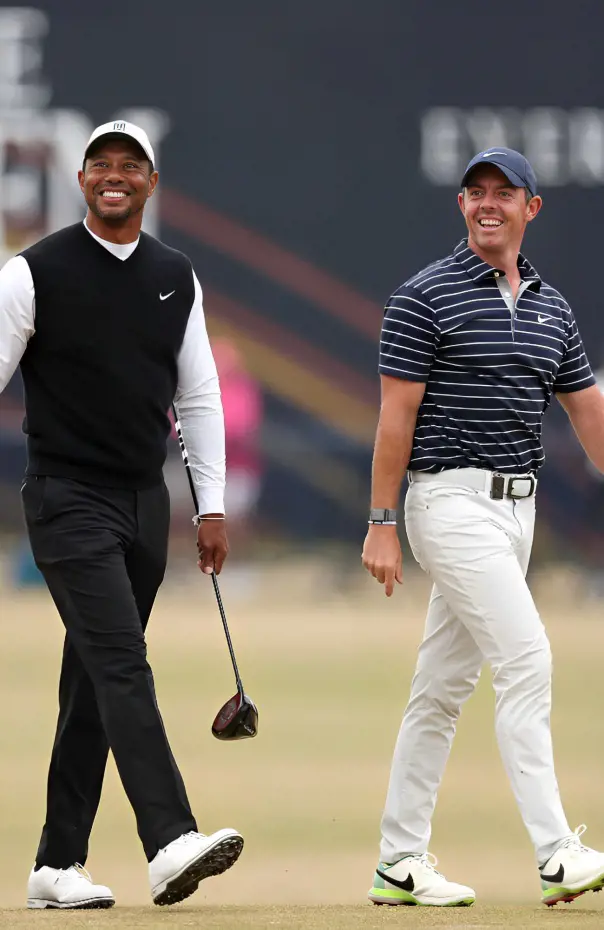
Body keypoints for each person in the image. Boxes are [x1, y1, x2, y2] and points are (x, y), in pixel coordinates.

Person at [0, 120, 243, 909]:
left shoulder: (176, 274)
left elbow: (200, 397)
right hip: (66, 496)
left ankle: (55, 865)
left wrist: (210, 507)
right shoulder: (31, 272)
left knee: (93, 681)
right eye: (100, 165)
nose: (114, 176)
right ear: (81, 182)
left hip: (146, 504)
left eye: (129, 166)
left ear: (150, 183)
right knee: (122, 666)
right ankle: (170, 839)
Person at [362, 147, 604, 908]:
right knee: (528, 659)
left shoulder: (550, 307)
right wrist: (381, 521)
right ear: (461, 206)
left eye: (506, 192)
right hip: (448, 503)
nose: (488, 203)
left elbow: (588, 413)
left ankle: (398, 862)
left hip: (515, 513)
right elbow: (394, 421)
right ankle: (556, 852)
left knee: (442, 689)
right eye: (476, 192)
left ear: (533, 208)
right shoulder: (424, 297)